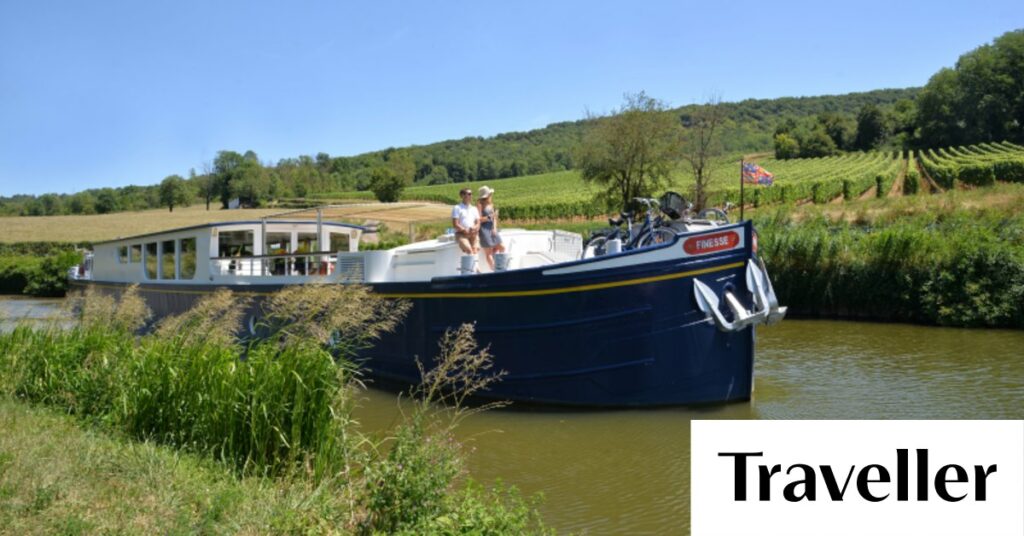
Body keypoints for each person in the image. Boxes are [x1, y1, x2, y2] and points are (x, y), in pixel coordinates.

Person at [476, 186, 505, 270]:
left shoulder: (491, 204)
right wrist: (489, 217)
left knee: (502, 247)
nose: (491, 196)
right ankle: (495, 270)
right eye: (490, 194)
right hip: (484, 230)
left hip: (491, 229)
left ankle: (500, 266)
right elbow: (479, 219)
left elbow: (494, 218)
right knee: (488, 253)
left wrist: (494, 228)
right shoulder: (479, 205)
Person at [451, 188, 480, 255]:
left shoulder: (474, 208)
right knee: (469, 250)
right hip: (461, 234)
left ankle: (475, 265)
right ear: (462, 196)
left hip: (473, 234)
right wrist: (464, 230)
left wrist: (474, 228)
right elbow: (455, 224)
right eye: (469, 194)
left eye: (471, 194)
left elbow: (478, 222)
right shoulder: (457, 208)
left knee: (476, 250)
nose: (471, 196)